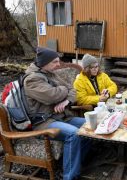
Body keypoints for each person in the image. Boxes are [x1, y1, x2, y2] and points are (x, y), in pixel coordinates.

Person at [24, 47, 90, 180]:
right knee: (73, 134)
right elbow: (52, 96)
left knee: (90, 126)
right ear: (44, 62)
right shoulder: (31, 80)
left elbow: (74, 90)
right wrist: (64, 89)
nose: (58, 65)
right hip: (43, 122)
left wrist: (66, 102)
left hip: (60, 117)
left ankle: (73, 165)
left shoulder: (51, 74)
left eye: (58, 61)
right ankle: (69, 176)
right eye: (54, 62)